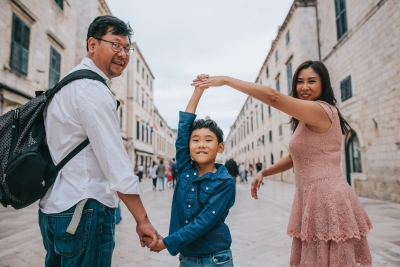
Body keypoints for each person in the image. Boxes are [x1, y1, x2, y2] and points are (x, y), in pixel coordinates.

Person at [191, 61, 372, 266]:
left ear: (324, 84)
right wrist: (264, 172)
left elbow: (273, 97)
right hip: (313, 196)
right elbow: (295, 157)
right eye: (299, 82)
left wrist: (225, 80)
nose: (304, 87)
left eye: (311, 81)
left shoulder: (321, 110)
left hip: (325, 195)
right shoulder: (305, 119)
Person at [38, 15, 159, 267]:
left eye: (127, 48)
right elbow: (116, 162)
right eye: (115, 45)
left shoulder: (67, 84)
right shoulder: (91, 89)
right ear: (92, 44)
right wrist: (142, 220)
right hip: (84, 209)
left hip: (55, 208)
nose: (123, 54)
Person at [143, 78, 236, 266]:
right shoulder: (185, 169)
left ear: (220, 147)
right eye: (196, 140)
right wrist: (198, 91)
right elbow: (184, 129)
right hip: (187, 259)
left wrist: (166, 244)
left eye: (208, 140)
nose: (201, 144)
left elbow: (203, 223)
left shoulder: (225, 182)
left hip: (216, 259)